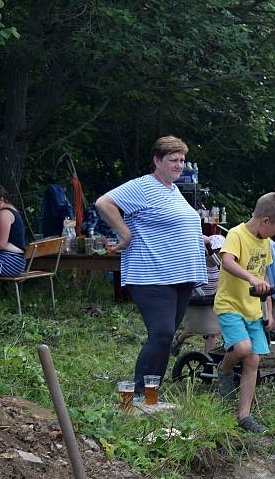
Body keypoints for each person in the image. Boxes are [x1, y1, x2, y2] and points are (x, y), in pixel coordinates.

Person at [96, 136, 207, 398]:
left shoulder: (172, 189)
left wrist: (198, 237)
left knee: (166, 339)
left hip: (181, 275)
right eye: (173, 160)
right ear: (157, 161)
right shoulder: (142, 186)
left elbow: (168, 223)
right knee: (162, 333)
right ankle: (136, 395)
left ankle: (151, 393)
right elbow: (104, 203)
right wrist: (125, 235)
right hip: (153, 274)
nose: (179, 165)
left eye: (181, 160)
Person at [213, 192, 275, 434]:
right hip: (230, 305)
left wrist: (268, 309)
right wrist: (249, 277)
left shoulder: (266, 243)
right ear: (265, 221)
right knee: (243, 349)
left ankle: (244, 415)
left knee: (253, 360)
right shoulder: (237, 234)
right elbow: (227, 260)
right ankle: (224, 370)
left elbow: (265, 276)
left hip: (253, 310)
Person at [171, 234, 225, 356]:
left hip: (211, 301)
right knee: (194, 329)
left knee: (212, 330)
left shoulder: (220, 268)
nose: (219, 255)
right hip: (197, 300)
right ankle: (180, 338)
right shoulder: (200, 266)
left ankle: (207, 358)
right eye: (216, 252)